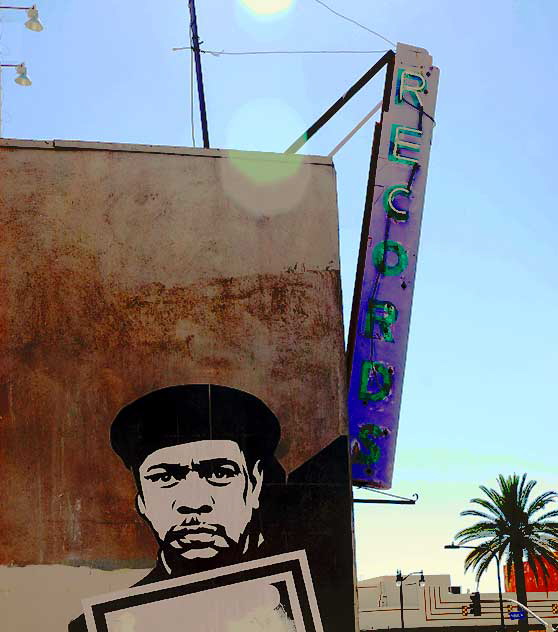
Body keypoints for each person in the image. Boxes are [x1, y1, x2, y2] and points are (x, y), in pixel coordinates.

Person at [68, 383, 288, 632]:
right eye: (164, 477)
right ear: (142, 501)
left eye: (219, 472)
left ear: (254, 485)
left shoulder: (312, 599)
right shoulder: (111, 625)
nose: (194, 503)